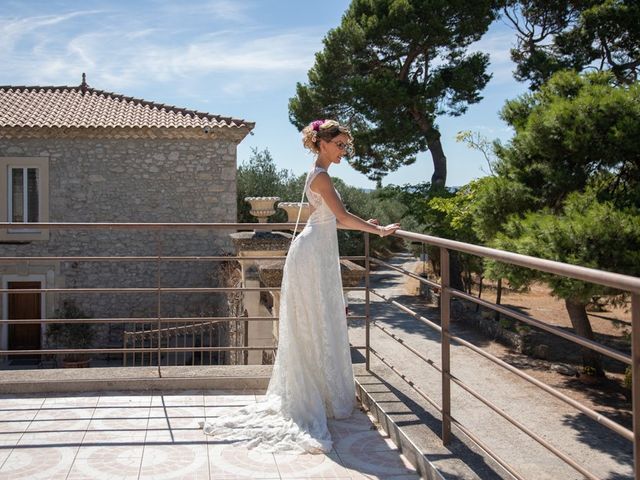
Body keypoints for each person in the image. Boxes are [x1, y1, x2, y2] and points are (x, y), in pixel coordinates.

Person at [200, 119, 400, 453]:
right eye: (339, 145)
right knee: (313, 321)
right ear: (322, 144)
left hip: (316, 252)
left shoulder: (319, 175)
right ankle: (317, 394)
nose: (343, 151)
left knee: (317, 320)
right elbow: (345, 218)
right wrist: (377, 232)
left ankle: (323, 390)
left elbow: (335, 217)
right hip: (311, 255)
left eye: (345, 146)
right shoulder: (320, 176)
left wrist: (368, 224)